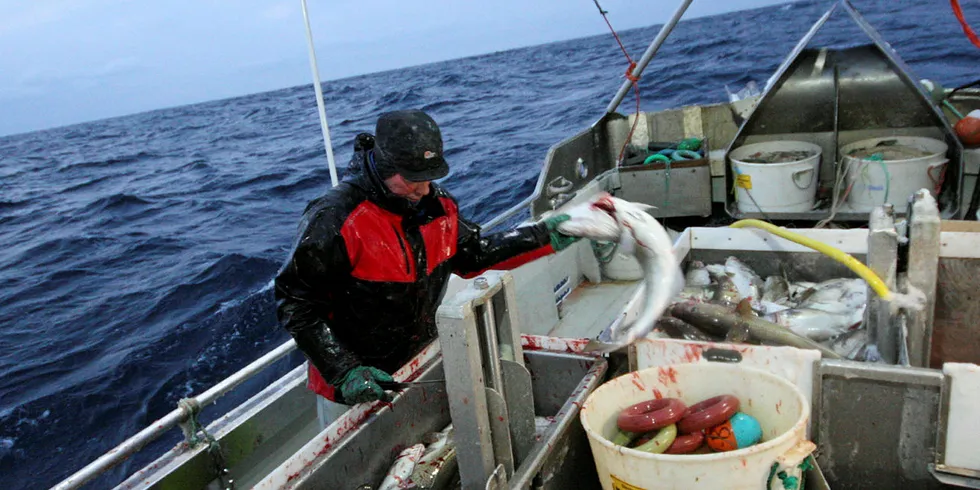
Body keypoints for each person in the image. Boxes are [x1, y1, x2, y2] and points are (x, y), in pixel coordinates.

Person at [274, 109, 579, 426]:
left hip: (420, 365)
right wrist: (344, 369)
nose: (423, 189)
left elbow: (472, 256)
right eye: (410, 180)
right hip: (354, 384)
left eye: (429, 177)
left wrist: (543, 235)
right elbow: (295, 303)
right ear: (383, 167)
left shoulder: (439, 204)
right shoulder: (334, 217)